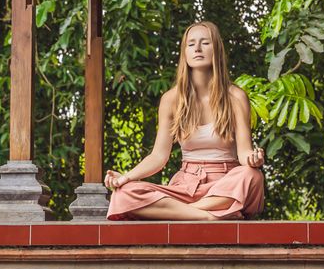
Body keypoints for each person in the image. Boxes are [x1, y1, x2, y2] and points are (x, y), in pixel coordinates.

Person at [104, 21, 266, 221]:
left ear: (216, 49)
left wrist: (253, 159)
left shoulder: (235, 96)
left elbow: (244, 153)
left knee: (253, 176)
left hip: (226, 185)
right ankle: (208, 216)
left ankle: (183, 213)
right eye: (191, 44)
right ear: (184, 53)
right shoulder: (171, 100)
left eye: (205, 43)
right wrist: (126, 177)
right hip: (186, 187)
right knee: (124, 193)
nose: (197, 48)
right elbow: (158, 157)